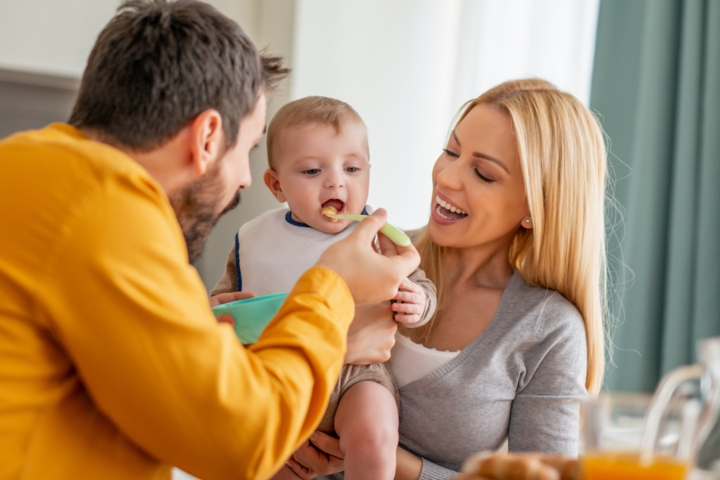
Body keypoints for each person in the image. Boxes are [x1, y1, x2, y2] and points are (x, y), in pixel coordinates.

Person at [0, 2, 420, 480]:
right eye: (247, 149)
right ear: (207, 137)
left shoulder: (25, 167)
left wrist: (204, 325)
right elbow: (240, 440)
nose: (244, 179)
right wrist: (334, 295)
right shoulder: (106, 207)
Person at [284, 79, 609, 480]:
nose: (447, 177)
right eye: (450, 151)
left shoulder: (547, 328)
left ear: (535, 207)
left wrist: (387, 460)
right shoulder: (367, 253)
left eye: (484, 174)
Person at [210, 96, 437, 480]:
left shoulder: (376, 236)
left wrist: (419, 302)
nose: (336, 181)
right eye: (313, 171)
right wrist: (212, 311)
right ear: (276, 184)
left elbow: (416, 282)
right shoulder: (253, 238)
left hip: (357, 376)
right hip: (277, 375)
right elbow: (222, 304)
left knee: (376, 438)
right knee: (267, 461)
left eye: (352, 168)